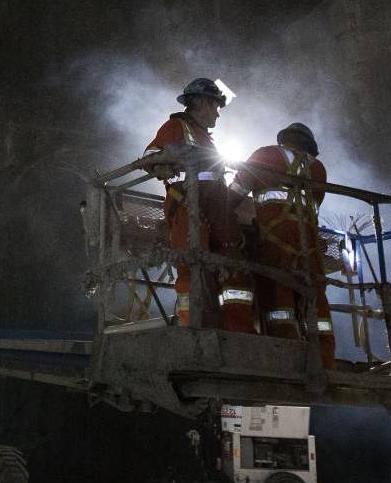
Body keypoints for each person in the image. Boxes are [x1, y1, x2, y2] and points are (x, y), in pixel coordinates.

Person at [143, 78, 255, 333]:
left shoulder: (206, 137)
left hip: (216, 205)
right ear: (203, 102)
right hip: (187, 204)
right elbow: (150, 157)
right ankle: (193, 329)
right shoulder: (176, 126)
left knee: (232, 262)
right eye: (216, 106)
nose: (218, 113)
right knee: (193, 265)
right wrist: (170, 160)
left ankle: (236, 329)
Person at [228, 123, 336, 367]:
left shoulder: (266, 154)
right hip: (309, 244)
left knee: (279, 293)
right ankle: (325, 361)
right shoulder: (319, 169)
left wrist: (218, 214)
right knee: (315, 298)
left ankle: (284, 357)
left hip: (276, 238)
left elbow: (235, 193)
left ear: (283, 140)